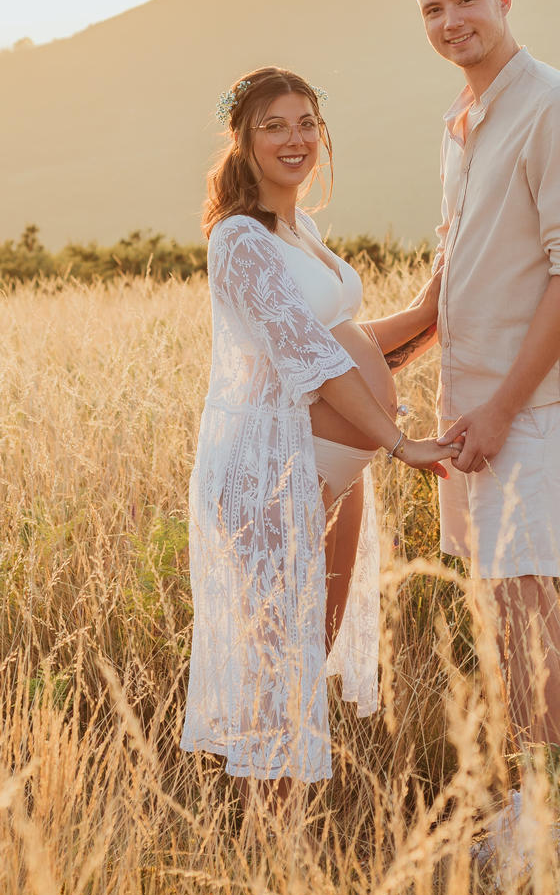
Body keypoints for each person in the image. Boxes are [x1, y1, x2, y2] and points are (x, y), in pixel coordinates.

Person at [180, 66, 455, 791]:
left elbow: (345, 332)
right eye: (274, 125)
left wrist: (431, 306)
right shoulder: (239, 240)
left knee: (304, 656)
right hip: (267, 467)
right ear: (242, 141)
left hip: (325, 466)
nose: (295, 138)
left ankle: (287, 846)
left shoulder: (298, 229)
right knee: (275, 666)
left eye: (306, 122)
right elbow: (312, 358)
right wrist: (399, 443)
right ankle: (275, 861)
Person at [411, 0, 560, 773]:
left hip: (525, 402)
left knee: (525, 599)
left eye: (464, 1)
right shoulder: (464, 121)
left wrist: (501, 409)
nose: (450, 20)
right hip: (476, 401)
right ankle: (535, 795)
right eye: (432, 9)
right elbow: (447, 280)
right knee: (501, 602)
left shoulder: (555, 106)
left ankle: (545, 816)